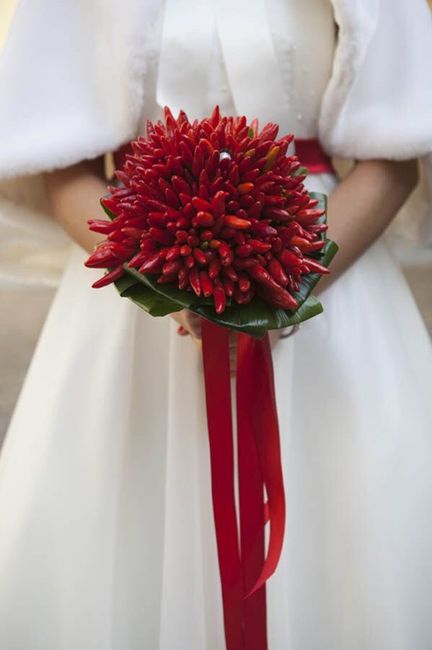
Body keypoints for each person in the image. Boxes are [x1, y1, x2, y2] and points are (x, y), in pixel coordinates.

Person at [1, 0, 432, 648]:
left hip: (323, 263)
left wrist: (287, 286)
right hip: (140, 278)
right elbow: (64, 163)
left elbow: (393, 154)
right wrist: (161, 281)